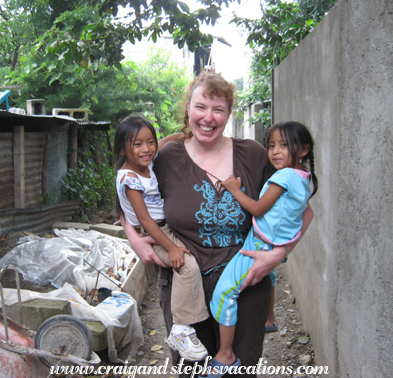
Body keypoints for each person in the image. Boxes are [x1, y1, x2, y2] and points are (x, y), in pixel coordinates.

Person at [121, 71, 314, 378]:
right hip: (184, 288)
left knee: (239, 370)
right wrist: (132, 235)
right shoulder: (166, 156)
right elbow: (126, 192)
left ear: (228, 114)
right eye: (200, 107)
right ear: (188, 109)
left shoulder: (254, 155)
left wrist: (281, 253)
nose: (208, 118)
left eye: (218, 109)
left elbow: (301, 210)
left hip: (245, 284)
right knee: (192, 371)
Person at [207, 121, 318, 374]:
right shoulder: (306, 178)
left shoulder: (284, 176)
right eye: (271, 146)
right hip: (274, 244)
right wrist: (286, 247)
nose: (275, 151)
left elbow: (257, 208)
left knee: (224, 294)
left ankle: (226, 355)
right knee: (270, 274)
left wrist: (234, 189)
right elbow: (308, 215)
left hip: (258, 244)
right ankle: (269, 319)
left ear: (303, 150)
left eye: (283, 145)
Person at [114, 114, 210, 361]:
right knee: (186, 267)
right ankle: (181, 328)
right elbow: (144, 219)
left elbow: (166, 141)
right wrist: (171, 247)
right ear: (123, 148)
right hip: (156, 232)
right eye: (137, 144)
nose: (146, 149)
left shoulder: (144, 163)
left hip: (164, 228)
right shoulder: (130, 178)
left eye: (150, 142)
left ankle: (184, 326)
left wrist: (188, 135)